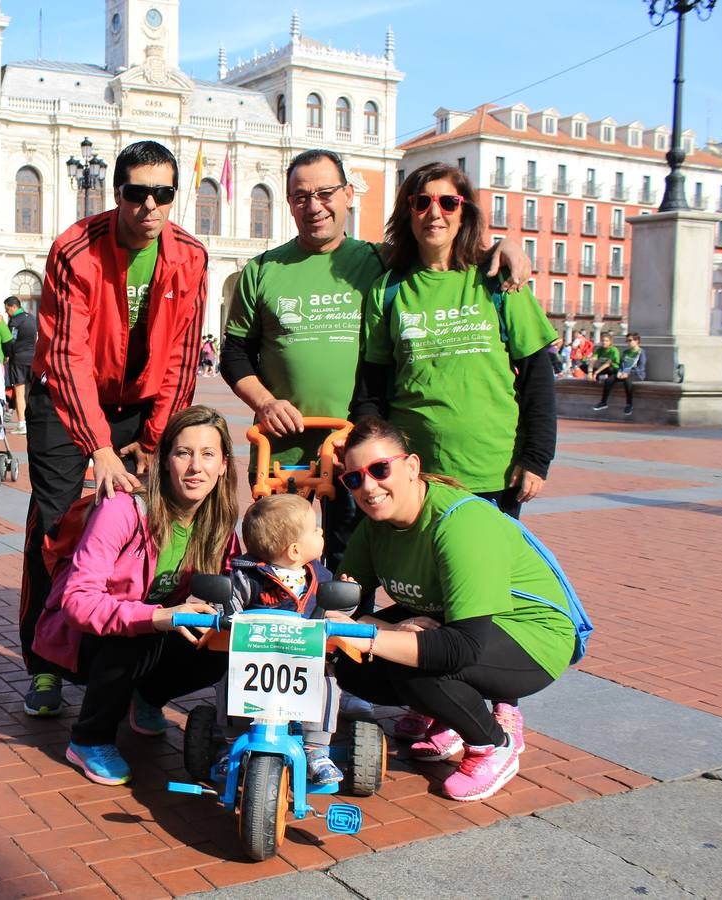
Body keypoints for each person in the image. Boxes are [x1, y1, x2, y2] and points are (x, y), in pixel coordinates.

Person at [223, 150, 532, 560]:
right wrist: (265, 402)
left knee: (349, 562)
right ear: (289, 201)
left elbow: (442, 246)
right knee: (274, 559)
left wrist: (504, 247)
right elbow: (234, 353)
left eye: (325, 192)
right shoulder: (262, 270)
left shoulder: (382, 262)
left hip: (356, 449)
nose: (314, 206)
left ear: (349, 194)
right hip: (284, 453)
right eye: (300, 196)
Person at [21, 140, 208, 718]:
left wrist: (154, 440)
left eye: (164, 194)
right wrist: (100, 448)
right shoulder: (74, 250)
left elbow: (181, 357)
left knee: (145, 522)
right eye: (137, 193)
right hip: (65, 397)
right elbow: (66, 355)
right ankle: (47, 663)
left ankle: (126, 658)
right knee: (57, 526)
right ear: (117, 193)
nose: (150, 205)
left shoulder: (191, 257)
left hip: (141, 400)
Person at [329, 417, 580, 802]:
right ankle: (445, 717)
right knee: (352, 665)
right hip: (457, 624)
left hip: (531, 636)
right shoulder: (374, 527)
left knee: (416, 670)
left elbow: (460, 648)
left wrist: (373, 634)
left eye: (380, 470)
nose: (369, 487)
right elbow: (344, 603)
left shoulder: (461, 523)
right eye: (354, 478)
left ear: (411, 466)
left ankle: (494, 744)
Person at [33, 405, 239, 784]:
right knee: (135, 635)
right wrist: (158, 616)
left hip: (149, 632)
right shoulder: (123, 509)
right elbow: (78, 602)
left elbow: (240, 590)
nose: (196, 467)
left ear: (224, 464)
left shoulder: (219, 529)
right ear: (164, 461)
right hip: (83, 640)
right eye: (183, 453)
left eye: (208, 454)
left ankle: (145, 698)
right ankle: (89, 739)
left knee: (221, 645)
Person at [351, 161, 557, 520]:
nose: (435, 213)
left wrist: (537, 458)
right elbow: (371, 389)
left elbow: (538, 375)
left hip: (493, 471)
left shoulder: (499, 281)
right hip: (415, 475)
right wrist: (375, 462)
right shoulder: (388, 289)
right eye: (421, 202)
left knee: (485, 573)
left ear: (465, 212)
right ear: (408, 213)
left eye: (448, 203)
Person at [218, 494, 343, 786]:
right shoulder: (249, 575)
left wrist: (346, 596)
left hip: (305, 660)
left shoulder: (319, 577)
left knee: (326, 683)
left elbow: (339, 606)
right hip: (256, 657)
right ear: (295, 550)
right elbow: (229, 601)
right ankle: (232, 744)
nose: (321, 532)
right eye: (315, 529)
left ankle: (316, 749)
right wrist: (223, 614)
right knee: (228, 680)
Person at [4, 295, 37, 435]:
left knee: (19, 392)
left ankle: (22, 423)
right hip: (33, 358)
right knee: (31, 392)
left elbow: (11, 342)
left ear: (14, 307)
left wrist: (7, 355)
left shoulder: (14, 322)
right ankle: (32, 421)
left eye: (7, 309)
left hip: (18, 359)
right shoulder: (31, 318)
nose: (6, 312)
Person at [594, 332, 646, 416]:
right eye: (627, 341)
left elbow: (641, 368)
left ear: (637, 341)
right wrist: (620, 372)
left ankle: (629, 404)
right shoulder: (626, 352)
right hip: (623, 373)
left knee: (627, 381)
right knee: (609, 380)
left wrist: (627, 373)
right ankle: (603, 402)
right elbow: (621, 364)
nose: (628, 342)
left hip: (636, 374)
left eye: (630, 340)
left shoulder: (641, 352)